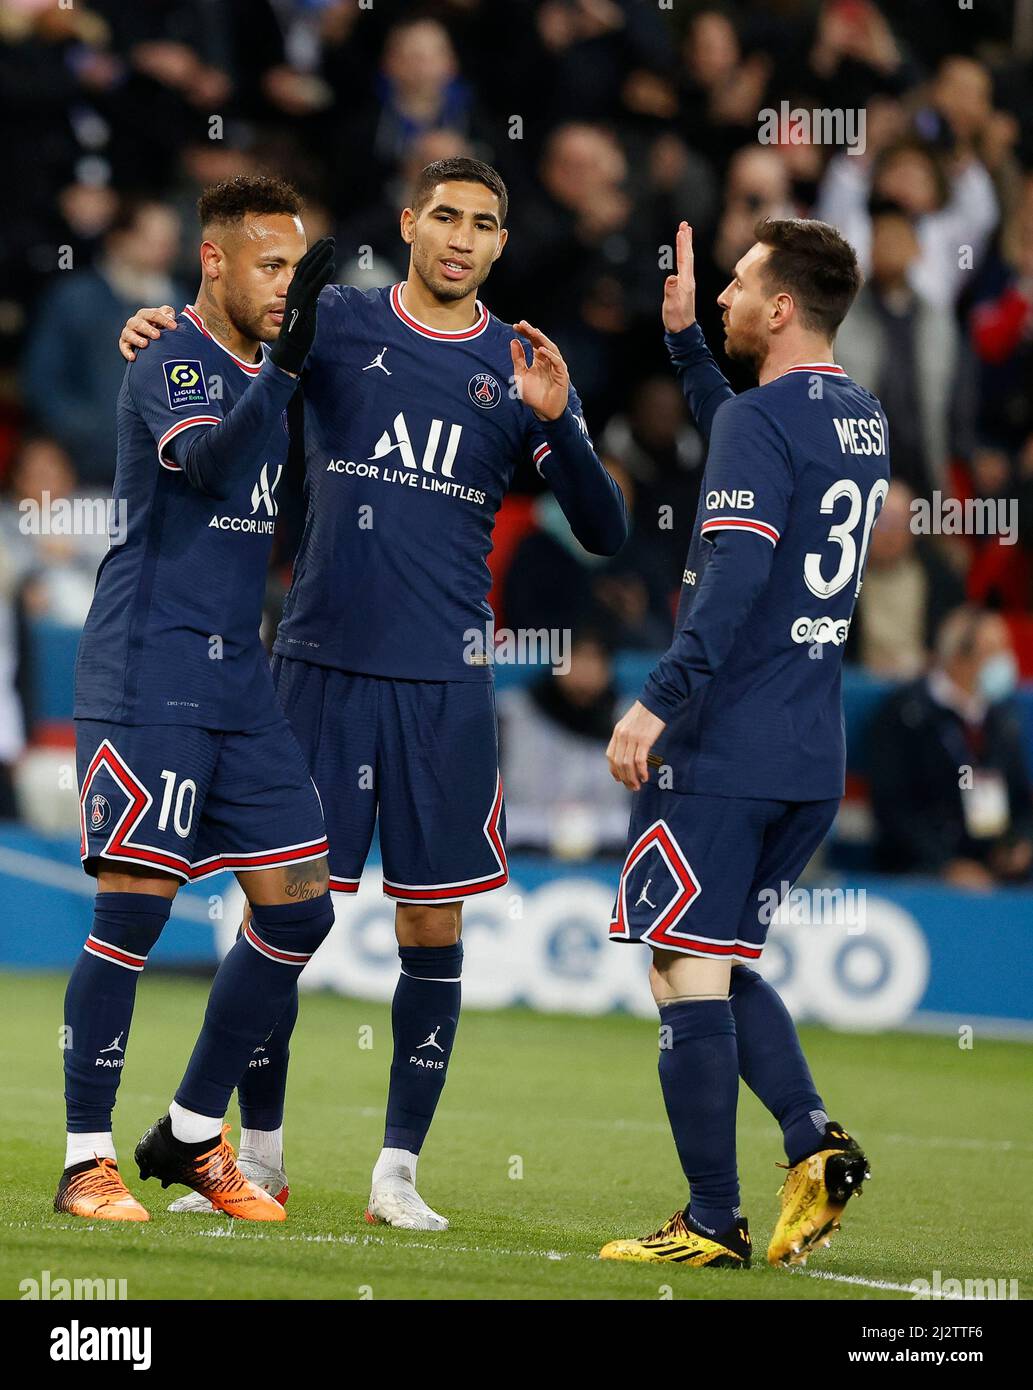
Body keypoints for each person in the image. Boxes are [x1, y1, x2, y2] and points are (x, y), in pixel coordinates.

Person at [119, 156, 628, 1231]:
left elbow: (608, 531)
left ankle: (395, 1173)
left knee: (431, 931)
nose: (461, 236)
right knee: (284, 913)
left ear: (498, 245)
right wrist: (158, 327)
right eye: (444, 214)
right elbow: (230, 341)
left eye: (483, 224)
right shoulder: (335, 318)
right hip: (315, 669)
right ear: (408, 222)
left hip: (443, 687)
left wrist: (565, 422)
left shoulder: (518, 363)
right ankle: (254, 1153)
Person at [599, 218, 888, 1269]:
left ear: (778, 308)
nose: (719, 294)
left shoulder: (760, 424)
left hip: (722, 746)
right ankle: (813, 1141)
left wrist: (655, 701)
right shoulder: (859, 416)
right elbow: (758, 444)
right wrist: (683, 347)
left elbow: (729, 579)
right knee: (711, 957)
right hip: (809, 750)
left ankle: (711, 1217)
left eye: (734, 283)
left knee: (679, 965)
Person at [60, 177, 336, 1224]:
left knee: (300, 907)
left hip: (240, 685)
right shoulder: (167, 359)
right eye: (271, 267)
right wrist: (286, 367)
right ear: (212, 260)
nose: (286, 289)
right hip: (149, 675)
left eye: (297, 271)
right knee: (133, 914)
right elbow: (215, 468)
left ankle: (184, 1130)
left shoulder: (274, 369)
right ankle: (87, 1158)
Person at [869, 607, 1033, 886]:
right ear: (958, 657)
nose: (1007, 661)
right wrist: (946, 865)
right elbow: (893, 808)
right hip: (921, 868)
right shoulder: (907, 714)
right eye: (994, 650)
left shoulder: (1001, 719)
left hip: (992, 866)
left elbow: (1020, 799)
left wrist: (1018, 843)